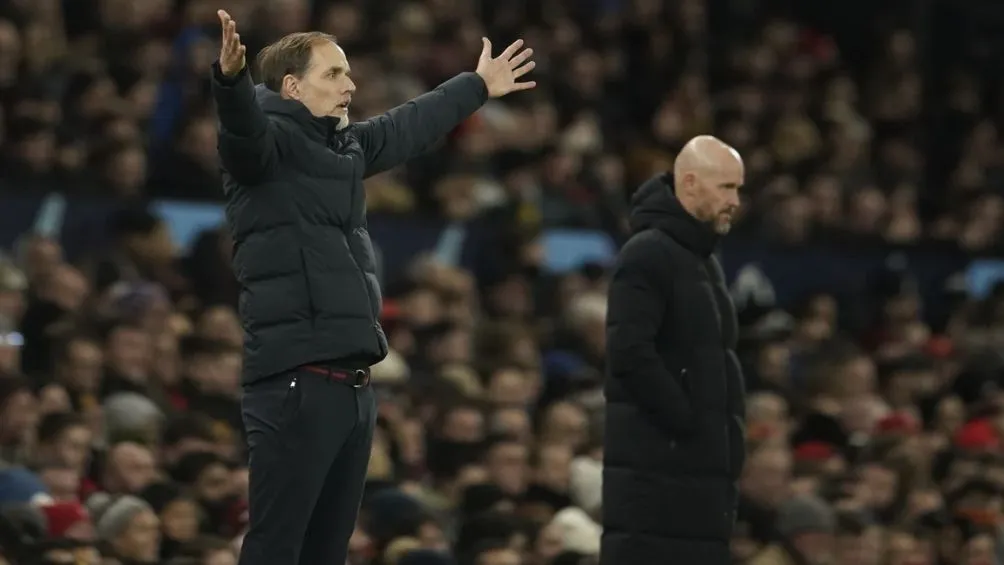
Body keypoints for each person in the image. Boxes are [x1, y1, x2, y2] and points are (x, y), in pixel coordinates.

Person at [209, 9, 536, 565]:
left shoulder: (345, 148)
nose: (350, 85)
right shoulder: (265, 150)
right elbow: (243, 134)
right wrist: (231, 82)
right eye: (334, 74)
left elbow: (408, 124)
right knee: (277, 546)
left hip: (354, 386)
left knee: (326, 551)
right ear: (292, 86)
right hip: (295, 380)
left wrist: (477, 85)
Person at [601, 135, 747, 565]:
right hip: (659, 482)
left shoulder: (703, 262)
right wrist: (689, 423)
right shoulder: (648, 253)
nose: (736, 201)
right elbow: (628, 352)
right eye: (726, 187)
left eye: (738, 188)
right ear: (689, 183)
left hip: (694, 484)